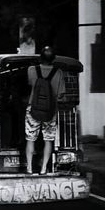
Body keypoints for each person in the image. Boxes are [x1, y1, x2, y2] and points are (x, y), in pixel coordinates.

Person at [25, 46, 65, 174]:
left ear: (40, 58)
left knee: (30, 139)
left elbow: (30, 85)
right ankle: (43, 169)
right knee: (48, 140)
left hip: (33, 109)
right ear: (53, 59)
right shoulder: (58, 72)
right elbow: (60, 94)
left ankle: (30, 168)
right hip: (50, 110)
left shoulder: (31, 70)